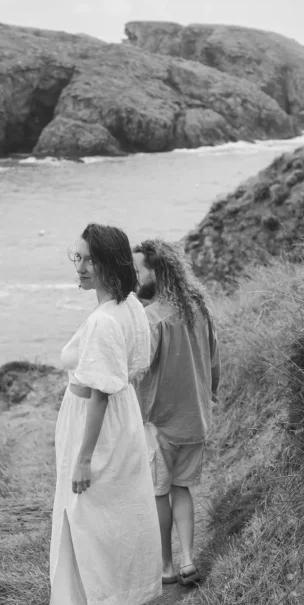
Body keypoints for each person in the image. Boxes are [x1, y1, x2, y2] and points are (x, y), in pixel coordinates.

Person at [48, 223, 162, 605]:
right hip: (125, 421)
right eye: (75, 257)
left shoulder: (101, 321)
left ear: (109, 264)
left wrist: (82, 458)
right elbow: (131, 371)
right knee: (121, 517)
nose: (78, 267)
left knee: (89, 524)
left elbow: (97, 395)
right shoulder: (131, 305)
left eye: (86, 260)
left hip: (95, 425)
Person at [133, 239, 220, 586]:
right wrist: (208, 397)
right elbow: (215, 364)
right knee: (182, 489)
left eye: (138, 271)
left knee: (158, 493)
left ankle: (167, 566)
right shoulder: (199, 310)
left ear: (157, 272)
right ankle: (187, 560)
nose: (133, 277)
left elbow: (137, 369)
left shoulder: (151, 319)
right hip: (196, 418)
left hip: (159, 422)